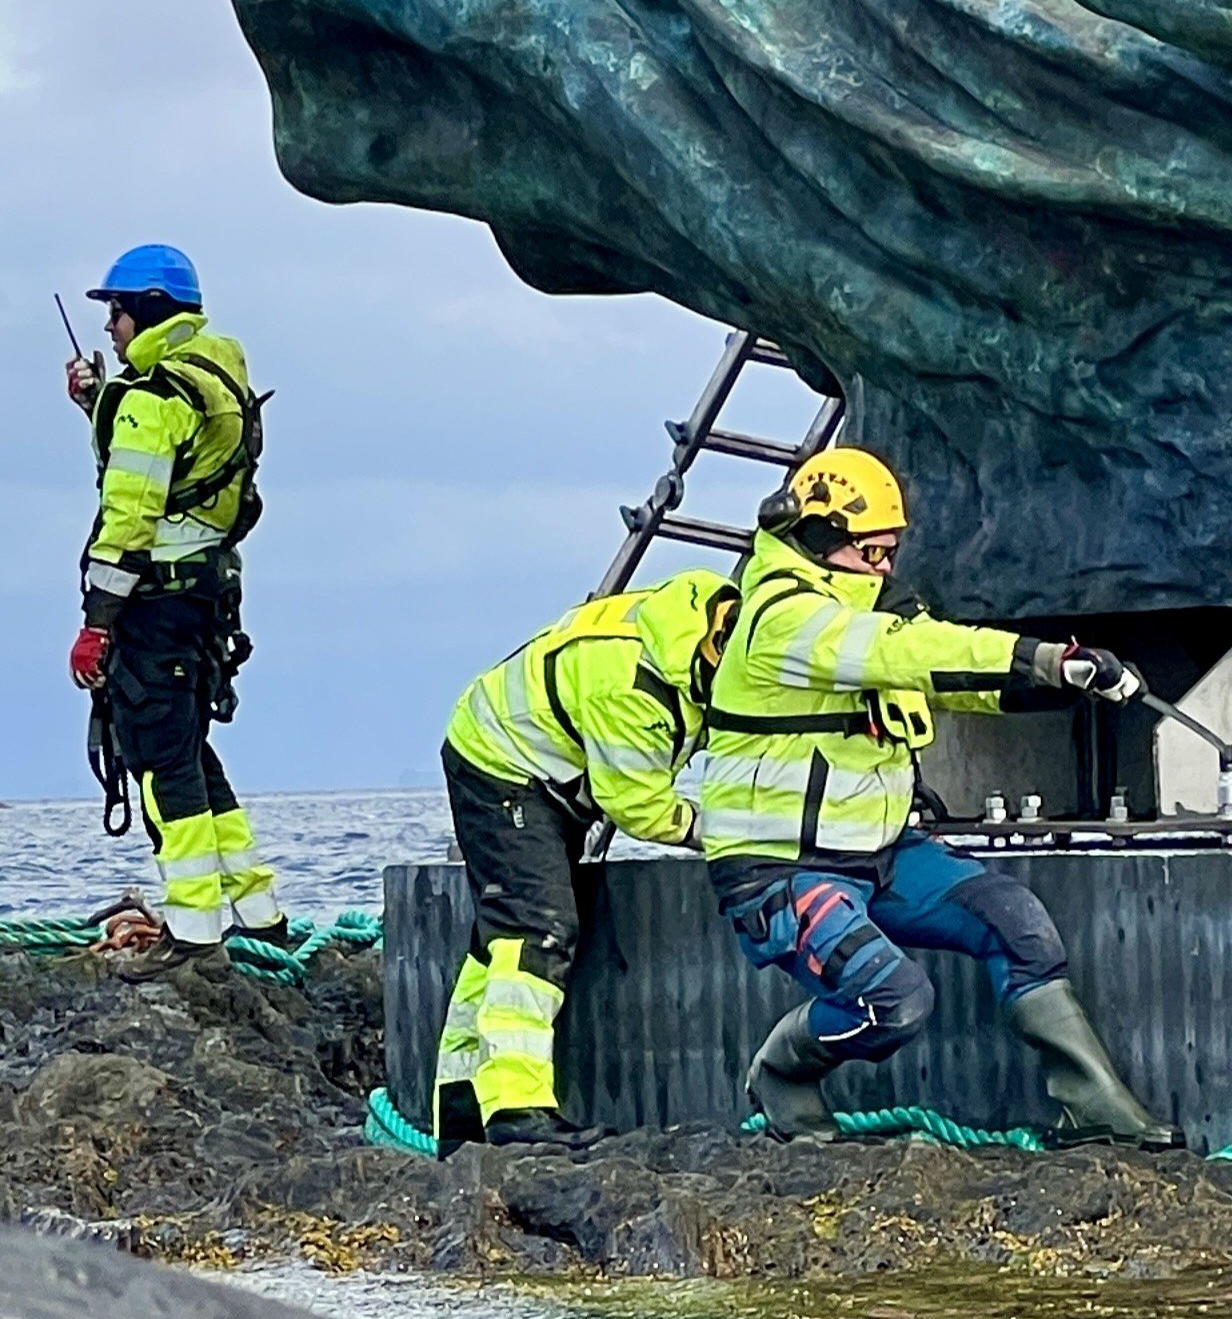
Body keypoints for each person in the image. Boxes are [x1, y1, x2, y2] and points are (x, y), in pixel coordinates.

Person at [700, 446, 1177, 1146]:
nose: (886, 567)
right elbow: (902, 650)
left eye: (891, 552)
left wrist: (1063, 684)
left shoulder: (858, 614)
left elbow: (945, 676)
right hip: (781, 868)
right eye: (872, 553)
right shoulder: (785, 619)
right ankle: (781, 1071)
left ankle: (1097, 1112)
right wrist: (1041, 656)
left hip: (881, 854)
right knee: (892, 1001)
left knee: (1016, 925)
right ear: (824, 540)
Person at [426, 568, 738, 1147]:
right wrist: (722, 830)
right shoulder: (631, 688)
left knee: (499, 937)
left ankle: (462, 1105)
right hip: (502, 764)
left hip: (544, 765)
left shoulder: (688, 630)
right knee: (536, 930)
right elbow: (638, 805)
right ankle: (516, 1109)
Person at [63, 244, 281, 951]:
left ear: (146, 309)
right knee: (191, 754)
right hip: (206, 602)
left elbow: (130, 517)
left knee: (159, 761)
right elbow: (189, 470)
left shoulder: (151, 399)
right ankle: (258, 912)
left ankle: (192, 927)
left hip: (154, 606)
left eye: (117, 313)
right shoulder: (213, 374)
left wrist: (97, 626)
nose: (110, 330)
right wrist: (100, 402)